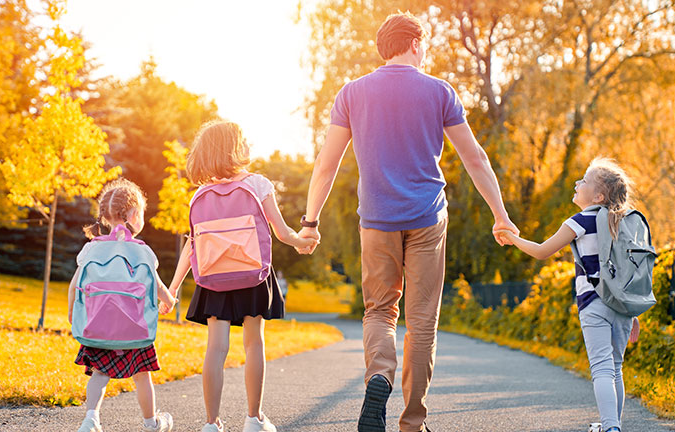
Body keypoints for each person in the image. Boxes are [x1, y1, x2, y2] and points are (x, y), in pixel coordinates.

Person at [296, 11, 518, 432]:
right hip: (427, 218)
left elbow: (326, 165)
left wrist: (310, 221)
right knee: (421, 322)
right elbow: (475, 158)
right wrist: (501, 216)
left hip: (376, 219)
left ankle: (378, 376)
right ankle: (413, 423)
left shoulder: (352, 93)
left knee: (380, 311)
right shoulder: (439, 91)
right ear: (415, 43)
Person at [165, 121, 317, 432]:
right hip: (252, 275)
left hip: (214, 280)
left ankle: (211, 423)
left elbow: (192, 245)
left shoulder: (199, 195)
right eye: (244, 140)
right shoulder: (258, 184)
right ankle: (254, 419)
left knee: (215, 349)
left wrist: (174, 287)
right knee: (253, 344)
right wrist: (304, 243)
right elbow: (283, 232)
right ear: (234, 148)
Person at [496, 157, 641, 432]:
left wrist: (511, 237)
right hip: (622, 305)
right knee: (615, 366)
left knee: (601, 367)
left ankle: (611, 428)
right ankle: (614, 424)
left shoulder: (580, 221)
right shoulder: (624, 222)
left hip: (593, 303)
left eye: (584, 181)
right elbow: (630, 268)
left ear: (598, 195)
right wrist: (632, 311)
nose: (577, 182)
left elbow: (541, 251)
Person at [68, 178, 176, 432]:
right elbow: (158, 287)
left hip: (98, 327)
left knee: (99, 374)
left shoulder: (91, 249)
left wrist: (73, 313)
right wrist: (169, 302)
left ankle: (90, 420)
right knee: (142, 376)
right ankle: (152, 423)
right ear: (134, 214)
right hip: (135, 329)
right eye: (142, 214)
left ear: (105, 216)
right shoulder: (142, 251)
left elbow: (74, 286)